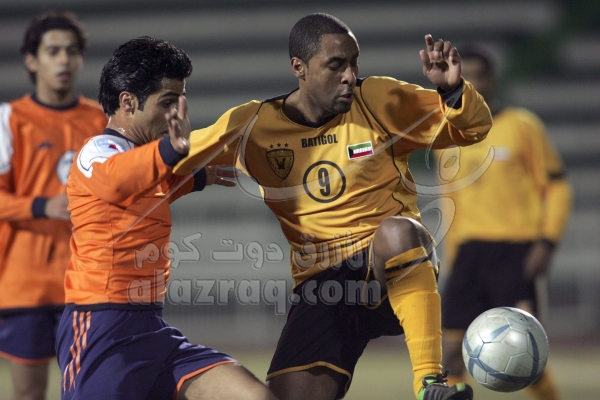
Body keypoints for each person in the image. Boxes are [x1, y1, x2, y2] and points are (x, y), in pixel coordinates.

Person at [174, 13, 492, 400]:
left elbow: (472, 129)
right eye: (336, 65)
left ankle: (429, 383)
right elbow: (167, 162)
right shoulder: (252, 125)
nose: (349, 76)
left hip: (387, 267)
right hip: (321, 287)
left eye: (354, 63)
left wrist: (453, 90)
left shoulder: (377, 99)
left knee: (399, 231)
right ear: (299, 67)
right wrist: (188, 177)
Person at [55, 37, 278, 400]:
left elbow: (156, 185)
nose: (176, 114)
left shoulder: (145, 160)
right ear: (128, 101)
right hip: (101, 327)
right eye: (167, 102)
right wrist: (170, 150)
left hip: (153, 329)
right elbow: (118, 180)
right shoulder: (98, 151)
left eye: (180, 102)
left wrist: (202, 175)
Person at [436, 45, 572, 400]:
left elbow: (557, 187)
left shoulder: (522, 126)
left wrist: (548, 241)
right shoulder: (447, 135)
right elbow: (450, 202)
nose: (472, 85)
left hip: (516, 253)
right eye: (465, 79)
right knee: (451, 357)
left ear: (493, 80)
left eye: (479, 77)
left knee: (527, 354)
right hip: (468, 255)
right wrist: (451, 256)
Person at [0, 11, 107, 400]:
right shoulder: (9, 119)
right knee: (29, 394)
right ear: (32, 60)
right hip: (25, 287)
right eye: (53, 51)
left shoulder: (102, 120)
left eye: (72, 51)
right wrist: (42, 205)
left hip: (88, 285)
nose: (64, 59)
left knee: (90, 390)